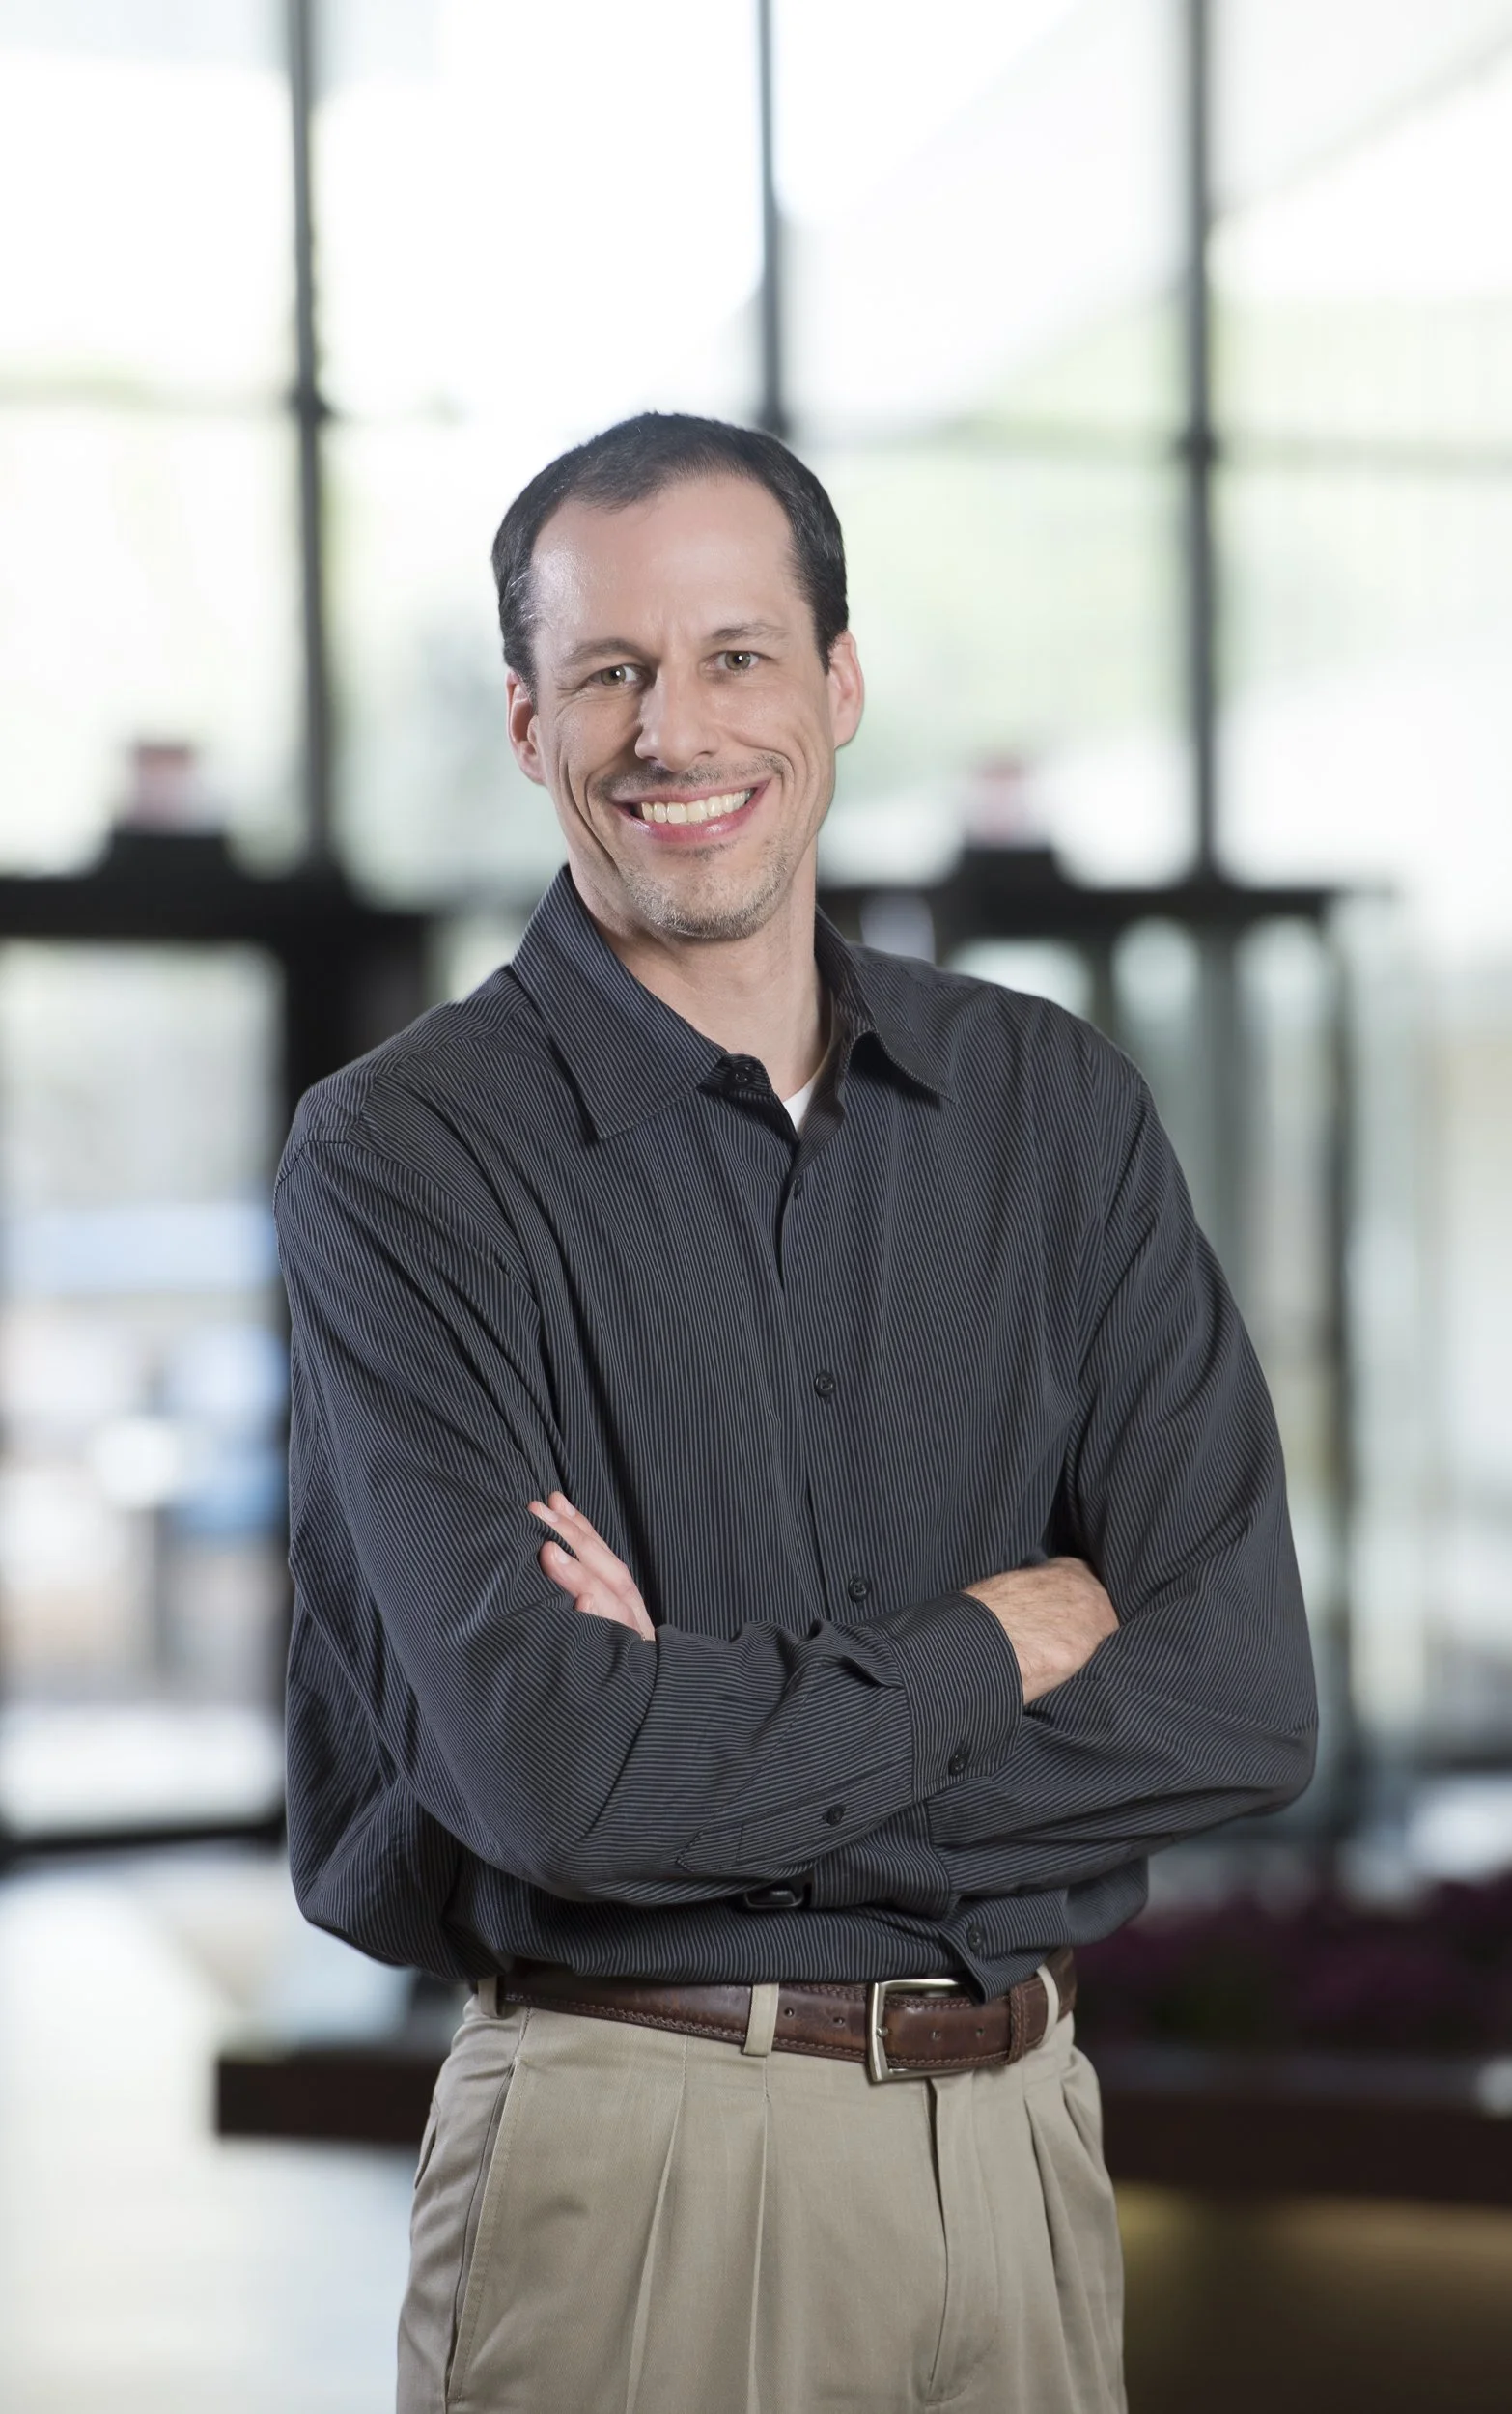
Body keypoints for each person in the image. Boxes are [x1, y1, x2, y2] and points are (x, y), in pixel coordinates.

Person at [274, 412, 1317, 2414]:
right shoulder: (405, 1160)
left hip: (1022, 2138)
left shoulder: (1054, 1112)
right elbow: (550, 1782)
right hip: (643, 2147)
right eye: (610, 672)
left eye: (737, 655)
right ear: (527, 723)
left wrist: (708, 1736)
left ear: (837, 684)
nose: (678, 729)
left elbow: (1239, 1691)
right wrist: (994, 1641)